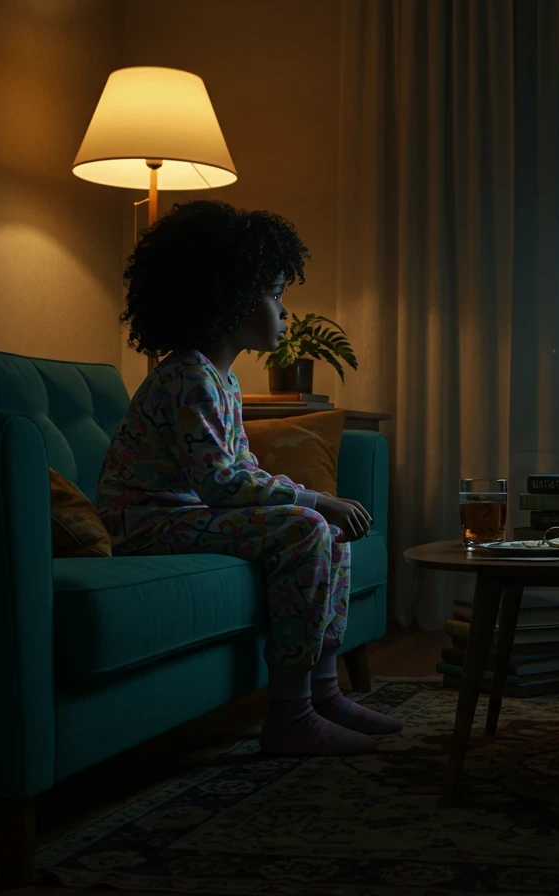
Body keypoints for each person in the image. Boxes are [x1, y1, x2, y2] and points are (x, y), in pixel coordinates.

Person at [95, 199, 401, 757]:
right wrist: (314, 500)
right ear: (230, 299)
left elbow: (239, 471)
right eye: (275, 296)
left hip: (183, 515)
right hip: (143, 524)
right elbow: (220, 485)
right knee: (308, 527)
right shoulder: (188, 376)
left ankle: (324, 691)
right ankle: (291, 716)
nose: (285, 312)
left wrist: (317, 503)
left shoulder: (222, 380)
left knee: (322, 527)